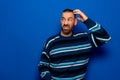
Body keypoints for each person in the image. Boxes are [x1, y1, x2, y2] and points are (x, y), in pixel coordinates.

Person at [38, 9, 111, 80]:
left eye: (69, 19)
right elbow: (43, 65)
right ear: (60, 21)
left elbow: (105, 37)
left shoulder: (85, 39)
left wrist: (86, 20)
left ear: (75, 22)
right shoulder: (51, 42)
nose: (65, 23)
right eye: (63, 19)